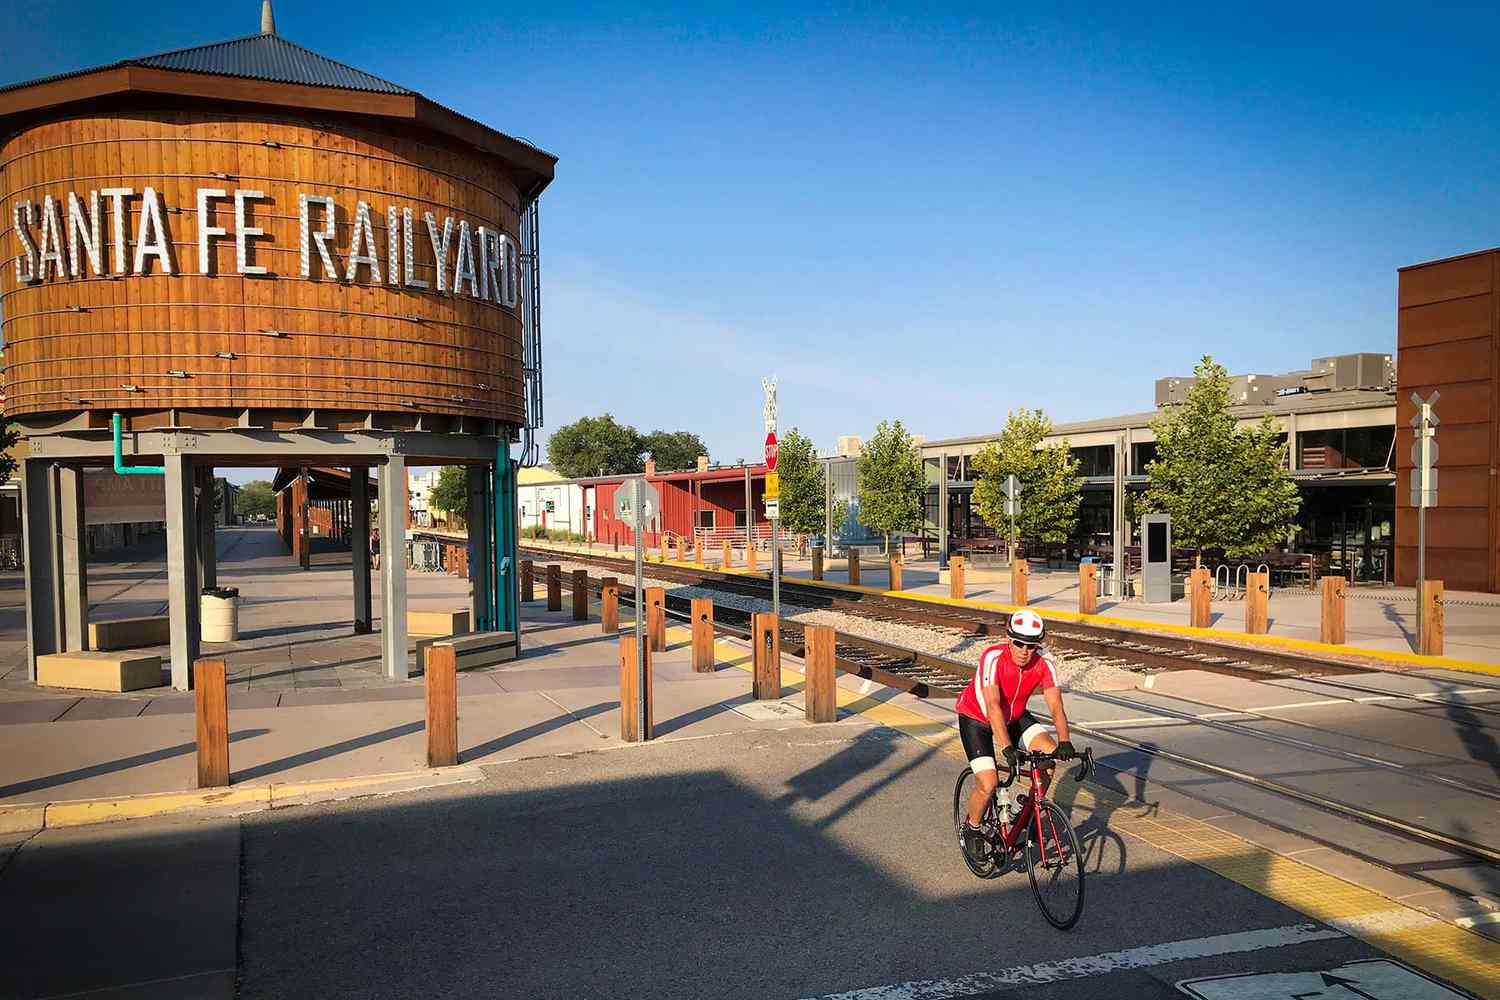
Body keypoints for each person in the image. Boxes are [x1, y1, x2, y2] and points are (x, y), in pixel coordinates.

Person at [955, 608, 1076, 860]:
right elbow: (992, 706)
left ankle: (1029, 815)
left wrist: (1065, 741)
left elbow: (1056, 706)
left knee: (1048, 760)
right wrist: (1007, 748)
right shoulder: (992, 657)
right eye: (1018, 643)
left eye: (1031, 646)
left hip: (1014, 715)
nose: (1024, 651)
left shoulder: (1045, 662)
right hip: (977, 718)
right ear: (1008, 638)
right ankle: (972, 827)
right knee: (988, 783)